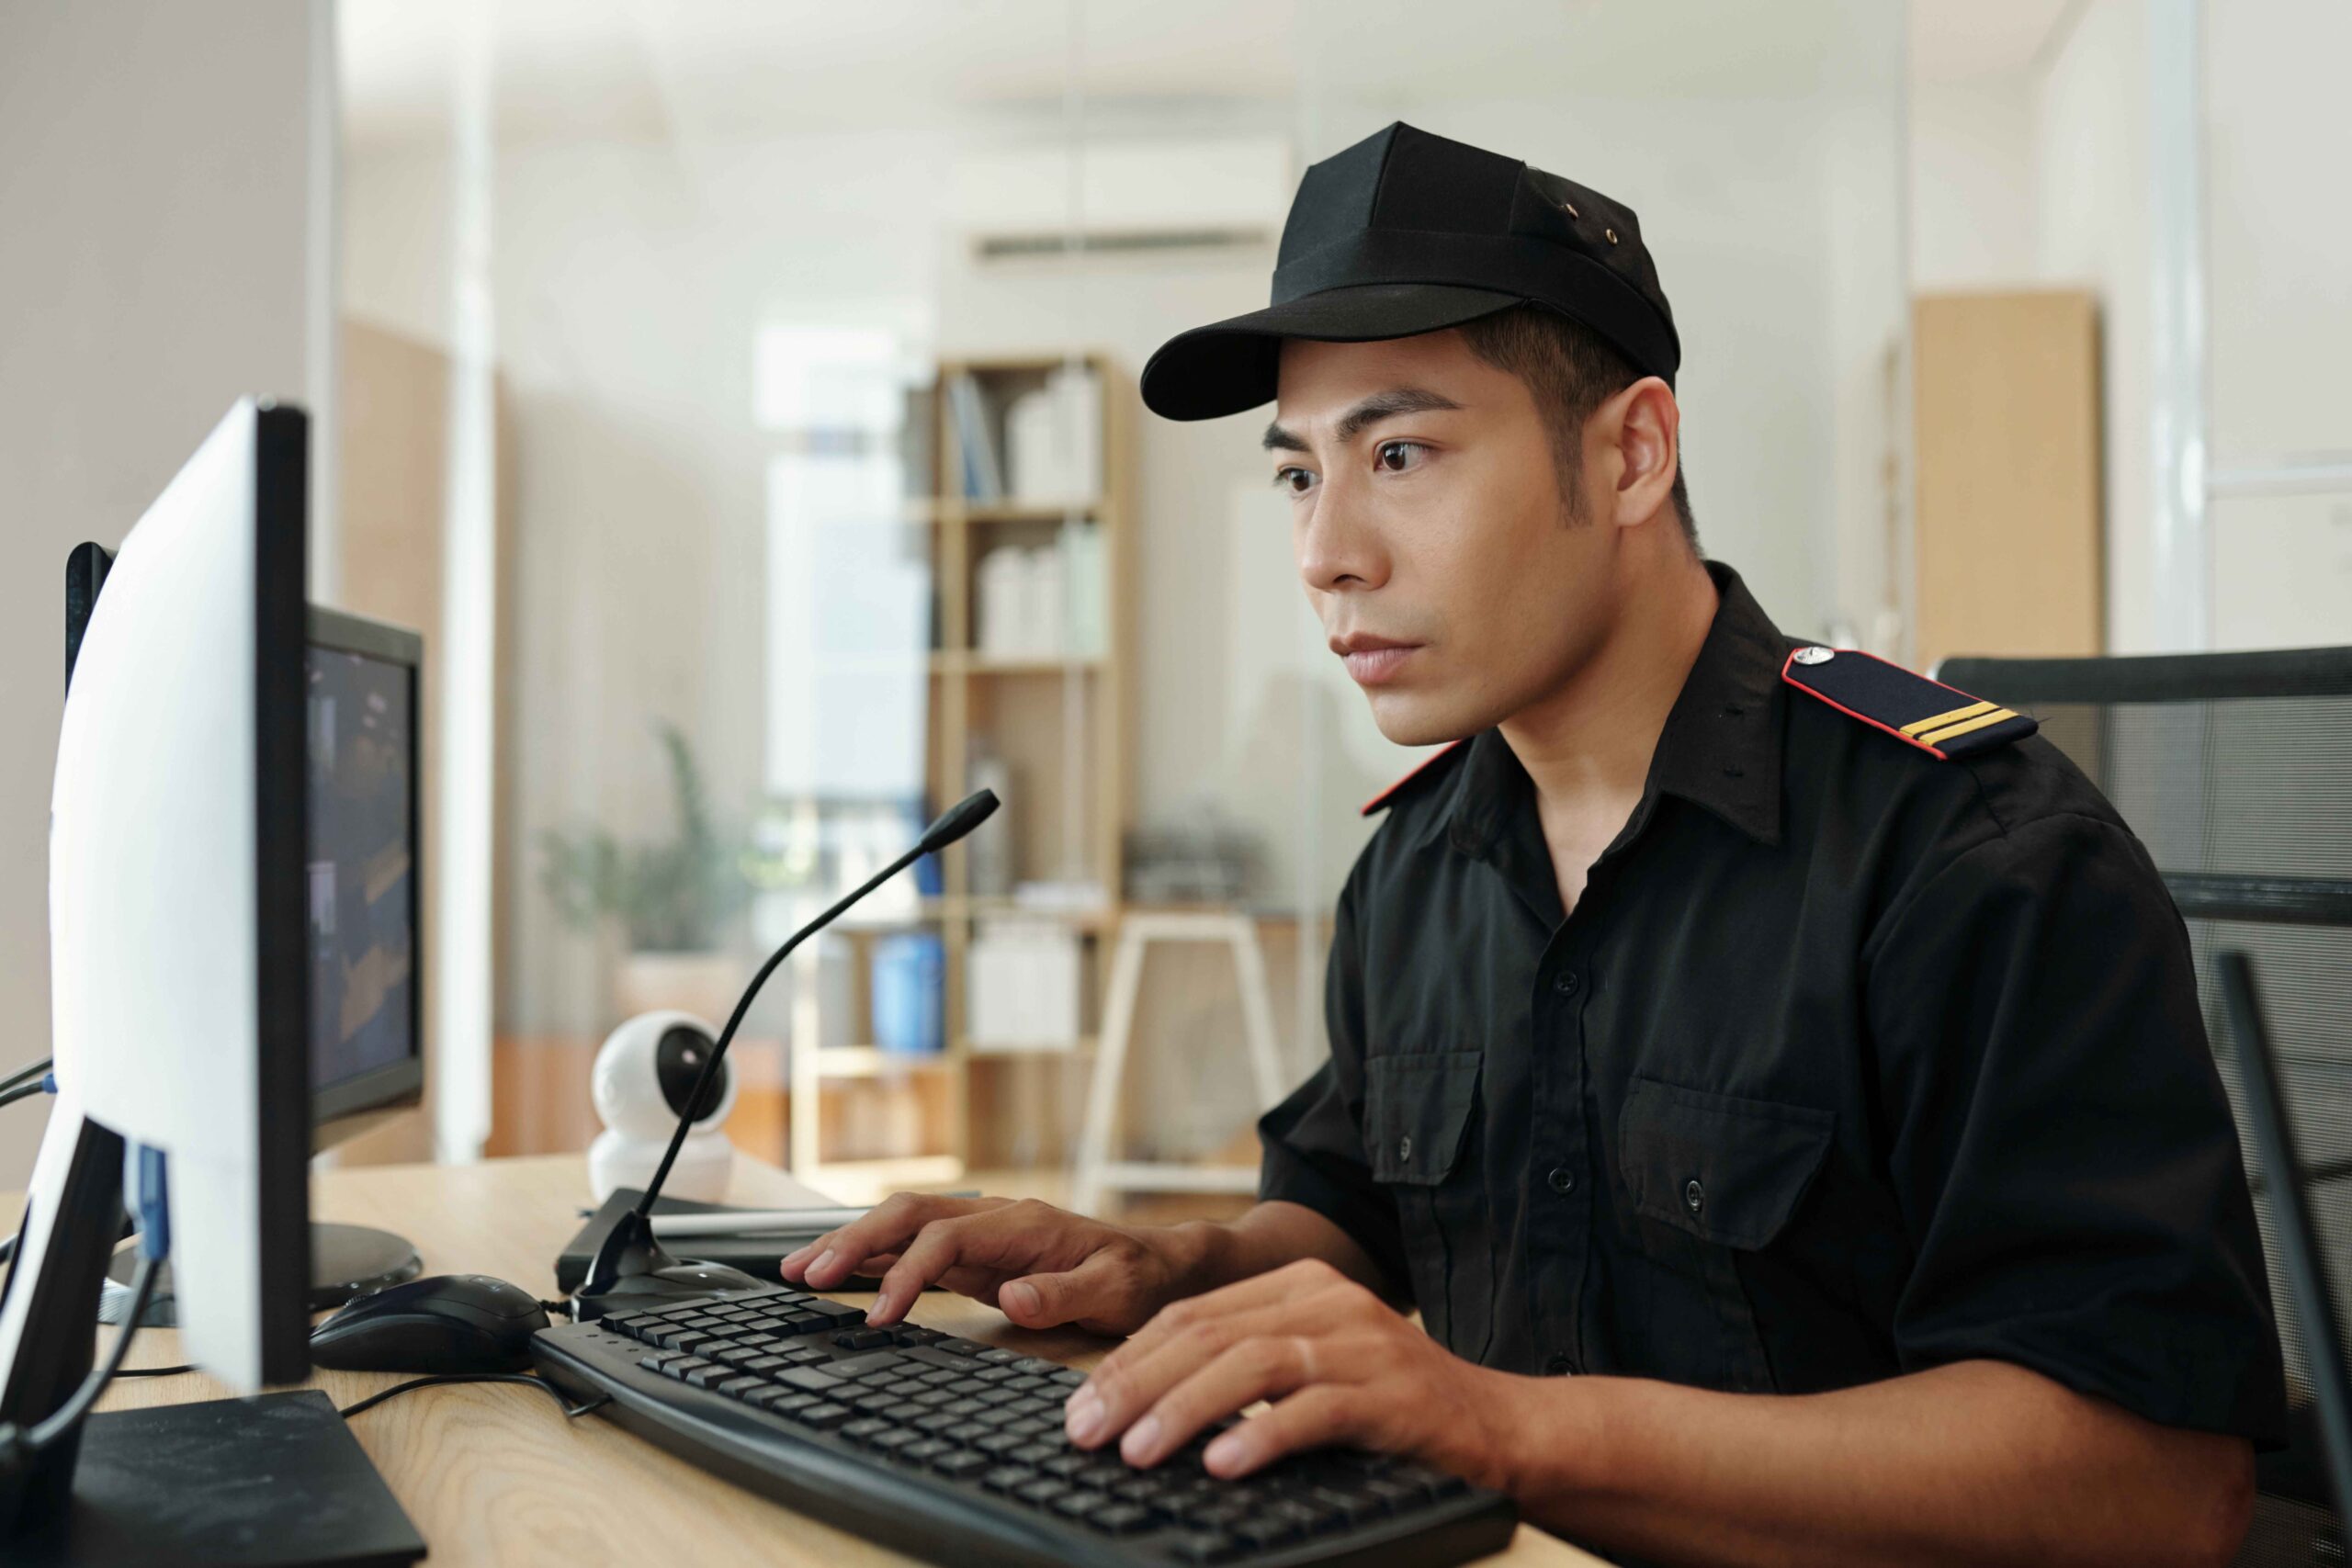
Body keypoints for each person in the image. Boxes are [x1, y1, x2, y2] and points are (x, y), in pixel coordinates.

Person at [783, 122, 2284, 1566]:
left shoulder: (1970, 859)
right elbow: (1353, 1217)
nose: (1326, 556)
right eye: (1301, 471)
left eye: (1404, 455)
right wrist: (1155, 1269)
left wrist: (1504, 1427)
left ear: (1631, 458)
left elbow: (2152, 1481)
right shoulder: (1419, 871)